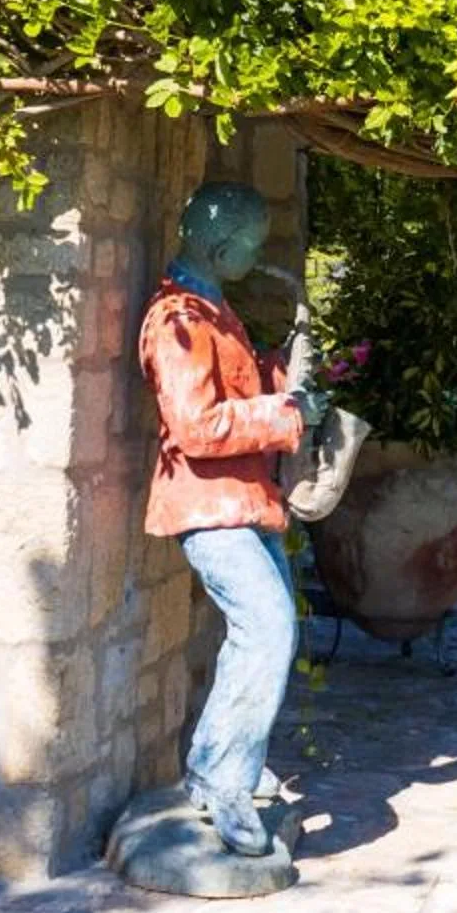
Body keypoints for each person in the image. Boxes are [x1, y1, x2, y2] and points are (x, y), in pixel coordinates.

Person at [139, 179, 321, 857]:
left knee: (260, 634)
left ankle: (214, 764)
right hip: (210, 508)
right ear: (218, 245)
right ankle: (225, 785)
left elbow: (233, 393)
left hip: (244, 504)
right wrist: (287, 416)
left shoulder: (213, 311)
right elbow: (195, 426)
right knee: (269, 629)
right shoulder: (177, 319)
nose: (258, 254)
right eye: (251, 245)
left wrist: (283, 376)